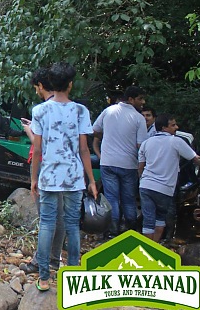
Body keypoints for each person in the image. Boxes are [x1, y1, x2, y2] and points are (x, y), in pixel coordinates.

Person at [30, 62, 97, 292]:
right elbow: (84, 150)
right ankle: (74, 273)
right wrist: (92, 180)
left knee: (47, 224)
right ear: (70, 84)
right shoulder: (80, 111)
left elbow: (37, 150)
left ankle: (44, 277)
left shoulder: (40, 111)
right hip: (74, 177)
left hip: (49, 175)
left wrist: (33, 178)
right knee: (71, 225)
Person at [138, 114, 200, 241]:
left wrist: (142, 180)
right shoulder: (176, 141)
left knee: (148, 221)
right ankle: (154, 249)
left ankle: (146, 250)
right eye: (173, 125)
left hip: (145, 186)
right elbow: (197, 159)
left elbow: (140, 167)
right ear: (163, 128)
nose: (176, 127)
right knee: (160, 218)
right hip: (164, 189)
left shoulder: (146, 143)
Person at [21, 67, 64, 274]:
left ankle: (40, 261)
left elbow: (39, 147)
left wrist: (29, 130)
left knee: (46, 217)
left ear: (40, 86)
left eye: (36, 87)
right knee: (60, 216)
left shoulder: (42, 110)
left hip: (46, 167)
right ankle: (55, 259)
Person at [92, 85, 148, 236]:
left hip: (108, 162)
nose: (143, 102)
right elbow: (141, 145)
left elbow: (95, 130)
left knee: (112, 198)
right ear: (131, 99)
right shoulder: (138, 118)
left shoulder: (108, 111)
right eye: (140, 98)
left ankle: (112, 231)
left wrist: (107, 136)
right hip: (128, 164)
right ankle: (130, 230)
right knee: (128, 199)